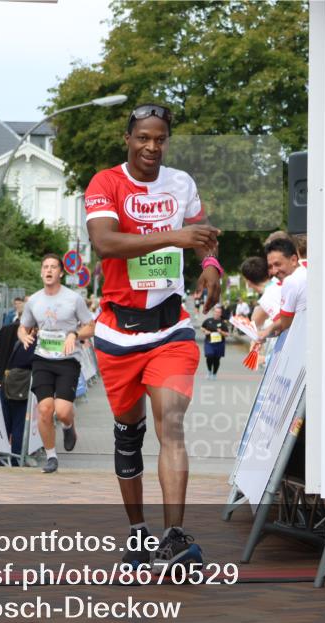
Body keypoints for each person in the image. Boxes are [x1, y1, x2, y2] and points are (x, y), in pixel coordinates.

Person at [84, 102, 221, 569]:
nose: (151, 146)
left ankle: (176, 537)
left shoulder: (181, 183)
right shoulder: (106, 183)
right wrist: (173, 239)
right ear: (128, 138)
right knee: (129, 434)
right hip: (119, 333)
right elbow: (105, 243)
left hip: (171, 327)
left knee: (171, 424)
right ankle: (139, 533)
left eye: (160, 138)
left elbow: (204, 234)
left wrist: (210, 264)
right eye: (143, 137)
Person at [17, 254, 95, 473]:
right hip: (42, 359)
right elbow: (23, 326)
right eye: (45, 267)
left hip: (68, 360)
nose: (49, 270)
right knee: (44, 409)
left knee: (61, 411)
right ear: (41, 272)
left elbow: (91, 326)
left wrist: (75, 334)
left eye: (53, 267)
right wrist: (23, 335)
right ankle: (51, 456)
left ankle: (69, 426)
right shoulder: (34, 301)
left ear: (61, 272)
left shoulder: (73, 299)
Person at [0, 313, 37, 467]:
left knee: (4, 425)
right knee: (18, 425)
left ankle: (2, 460)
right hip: (20, 389)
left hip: (4, 383)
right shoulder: (31, 341)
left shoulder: (5, 330)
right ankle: (15, 460)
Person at [258, 237, 307, 341]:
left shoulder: (291, 281)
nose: (274, 271)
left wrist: (269, 329)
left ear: (293, 260)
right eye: (270, 266)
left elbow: (285, 323)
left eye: (277, 264)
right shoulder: (306, 272)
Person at [240, 256, 281, 330]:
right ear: (268, 272)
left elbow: (255, 323)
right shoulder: (282, 281)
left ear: (248, 282)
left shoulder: (266, 299)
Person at [201, 305, 230, 379]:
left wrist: (221, 332)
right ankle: (209, 371)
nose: (217, 313)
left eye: (219, 312)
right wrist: (205, 331)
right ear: (213, 312)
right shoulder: (208, 321)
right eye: (216, 312)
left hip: (219, 344)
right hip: (209, 342)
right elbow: (202, 327)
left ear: (220, 314)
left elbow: (227, 334)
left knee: (216, 359)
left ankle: (214, 374)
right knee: (209, 356)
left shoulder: (223, 323)